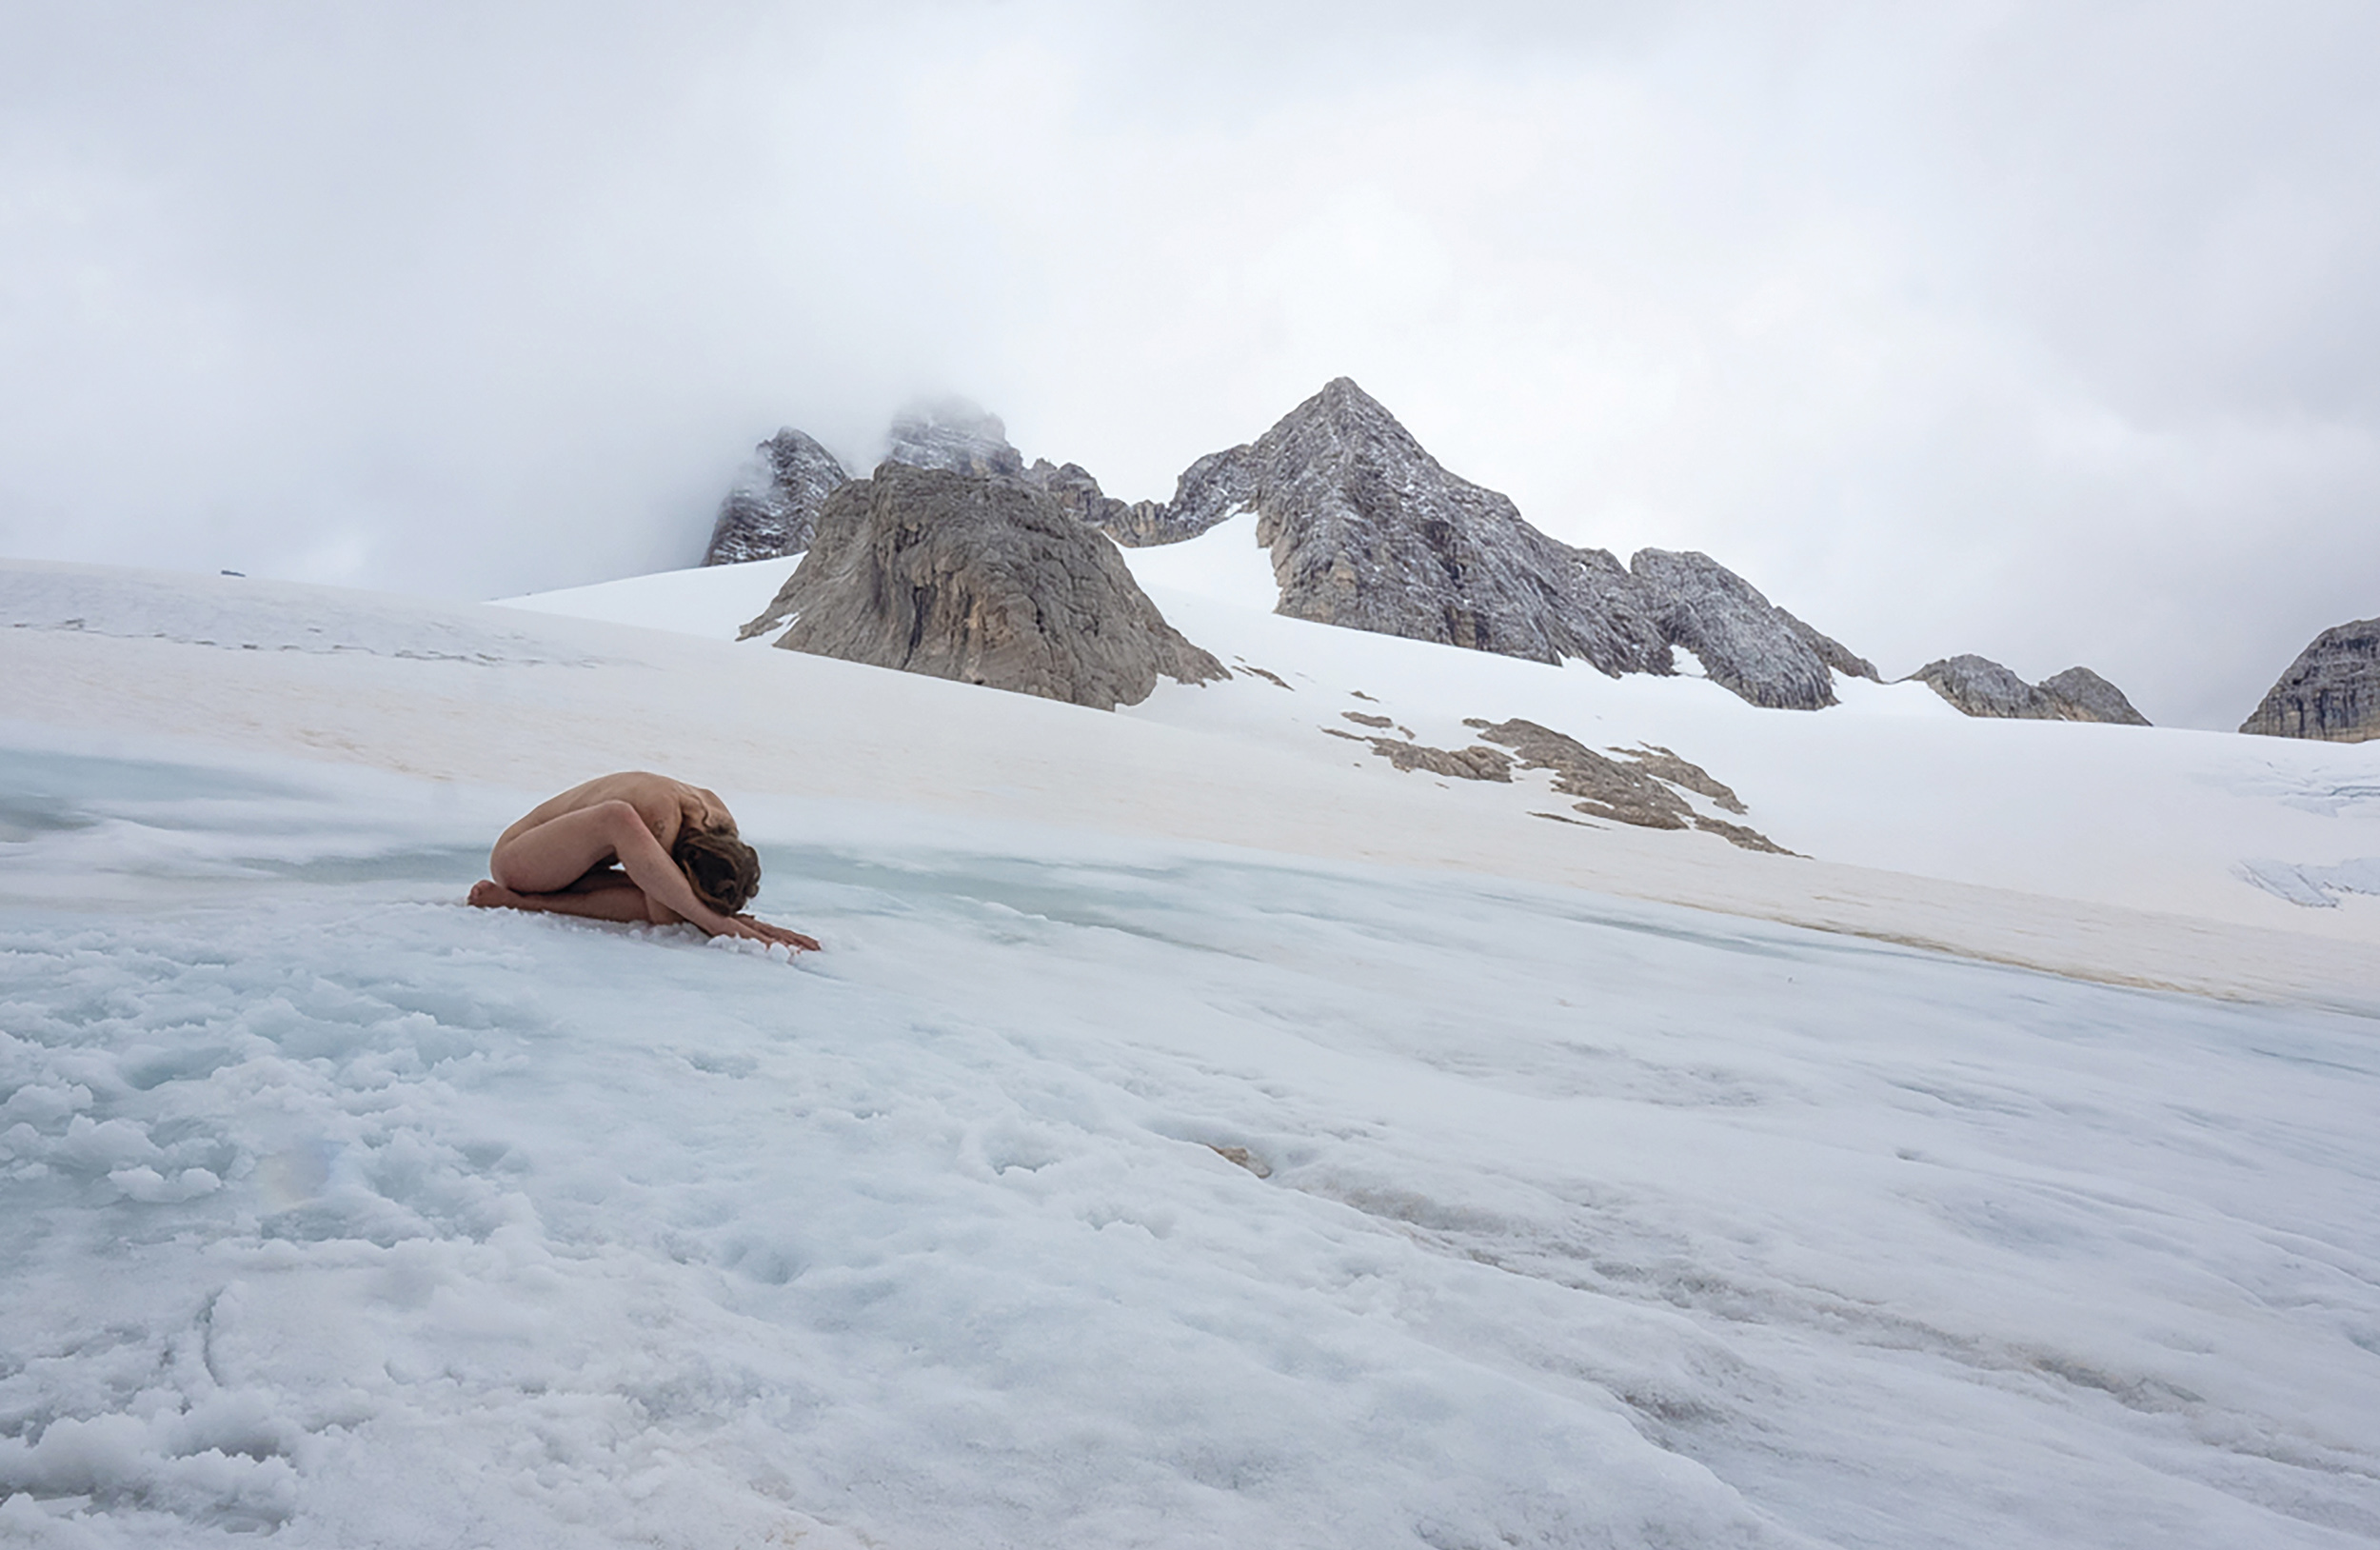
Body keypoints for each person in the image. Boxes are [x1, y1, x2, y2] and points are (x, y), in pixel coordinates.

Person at [466, 771, 820, 950]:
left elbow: (669, 897)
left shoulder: (718, 815)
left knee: (658, 892)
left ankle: (521, 901)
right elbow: (665, 914)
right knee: (619, 818)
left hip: (573, 868)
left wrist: (735, 917)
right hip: (520, 860)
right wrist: (728, 927)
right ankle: (520, 901)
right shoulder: (662, 817)